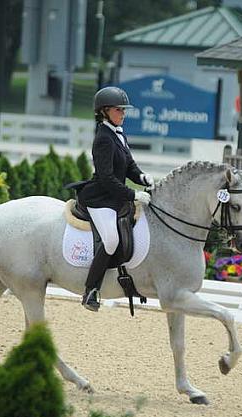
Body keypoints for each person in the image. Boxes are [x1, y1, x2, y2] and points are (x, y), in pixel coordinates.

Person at [77, 86, 153, 312]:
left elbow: (128, 164)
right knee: (111, 240)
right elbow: (107, 178)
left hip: (115, 198)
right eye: (119, 110)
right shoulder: (103, 139)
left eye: (123, 110)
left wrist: (141, 176)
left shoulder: (118, 133)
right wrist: (133, 194)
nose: (123, 114)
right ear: (104, 111)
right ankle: (91, 289)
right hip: (100, 198)